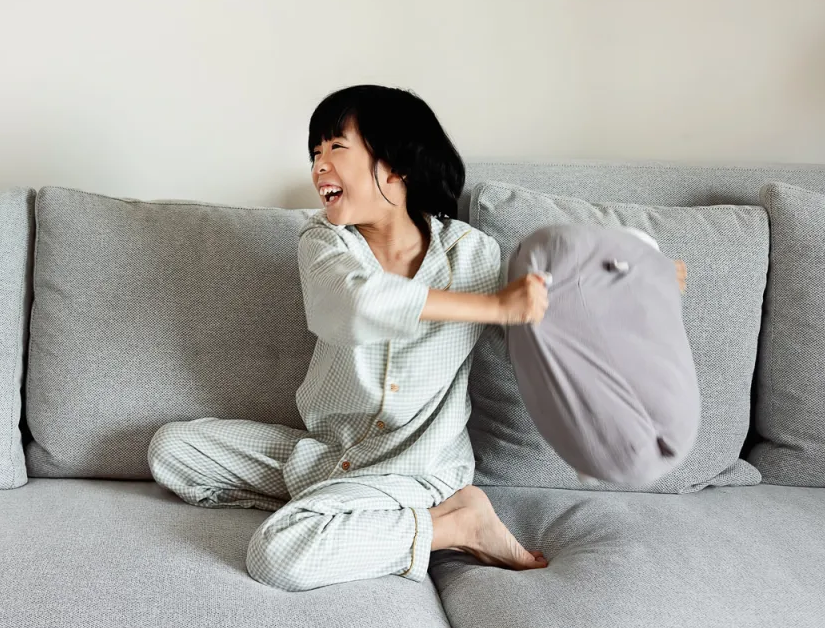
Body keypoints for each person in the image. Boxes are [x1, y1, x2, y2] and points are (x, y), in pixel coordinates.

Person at [149, 85, 549, 591]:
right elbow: (352, 307)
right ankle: (342, 508)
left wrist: (639, 281)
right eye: (315, 153)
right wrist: (492, 308)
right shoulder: (324, 242)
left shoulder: (473, 256)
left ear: (397, 164)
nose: (318, 166)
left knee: (278, 555)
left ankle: (454, 524)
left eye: (336, 147)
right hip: (326, 454)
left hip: (416, 467)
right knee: (172, 451)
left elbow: (553, 302)